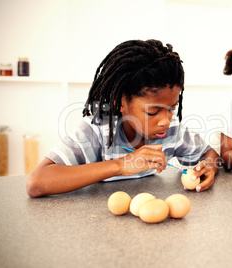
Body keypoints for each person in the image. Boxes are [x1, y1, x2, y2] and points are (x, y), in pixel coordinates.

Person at [26, 39, 219, 197]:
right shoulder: (97, 130)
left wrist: (209, 168)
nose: (165, 121)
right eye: (152, 112)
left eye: (172, 109)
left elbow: (208, 153)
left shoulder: (172, 131)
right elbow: (37, 182)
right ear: (120, 102)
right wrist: (121, 165)